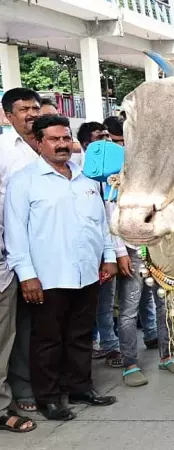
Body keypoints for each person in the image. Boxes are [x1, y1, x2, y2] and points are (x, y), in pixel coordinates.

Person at [5, 115, 119, 420]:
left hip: (87, 272)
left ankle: (80, 386)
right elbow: (15, 234)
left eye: (65, 138)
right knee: (48, 339)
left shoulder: (86, 178)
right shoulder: (24, 181)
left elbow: (102, 222)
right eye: (54, 139)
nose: (62, 145)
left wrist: (108, 256)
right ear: (38, 143)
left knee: (81, 334)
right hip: (48, 275)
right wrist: (27, 276)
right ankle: (50, 397)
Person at [0, 88, 40, 431]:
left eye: (34, 108)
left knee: (40, 325)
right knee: (11, 330)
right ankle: (16, 393)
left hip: (49, 251)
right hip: (12, 253)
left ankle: (39, 386)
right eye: (23, 109)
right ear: (7, 116)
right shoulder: (3, 151)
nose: (30, 113)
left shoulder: (56, 146)